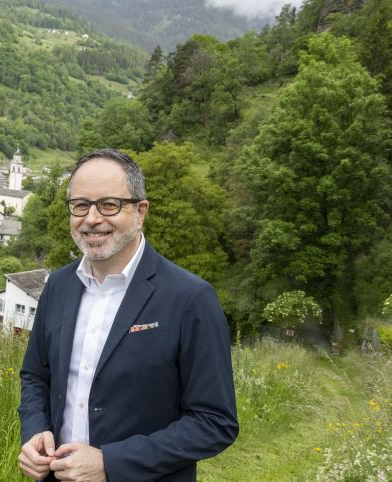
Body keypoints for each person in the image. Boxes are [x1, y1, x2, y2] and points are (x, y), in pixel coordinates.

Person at [17, 148, 238, 481]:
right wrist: (35, 431)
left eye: (109, 204)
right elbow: (36, 376)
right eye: (80, 205)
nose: (91, 218)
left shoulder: (191, 298)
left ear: (140, 211)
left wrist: (110, 463)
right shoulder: (58, 285)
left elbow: (214, 422)